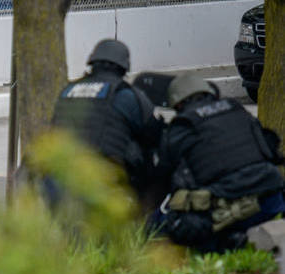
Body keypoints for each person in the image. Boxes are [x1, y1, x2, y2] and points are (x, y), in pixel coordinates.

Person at [154, 73, 285, 252]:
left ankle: (227, 244)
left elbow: (162, 176)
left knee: (164, 221)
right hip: (271, 202)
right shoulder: (237, 109)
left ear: (178, 104)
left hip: (229, 212)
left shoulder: (182, 125)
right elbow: (271, 149)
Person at [51, 38, 166, 211]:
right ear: (123, 67)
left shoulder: (68, 90)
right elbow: (155, 134)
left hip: (63, 177)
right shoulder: (125, 94)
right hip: (104, 178)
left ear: (93, 62)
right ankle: (141, 219)